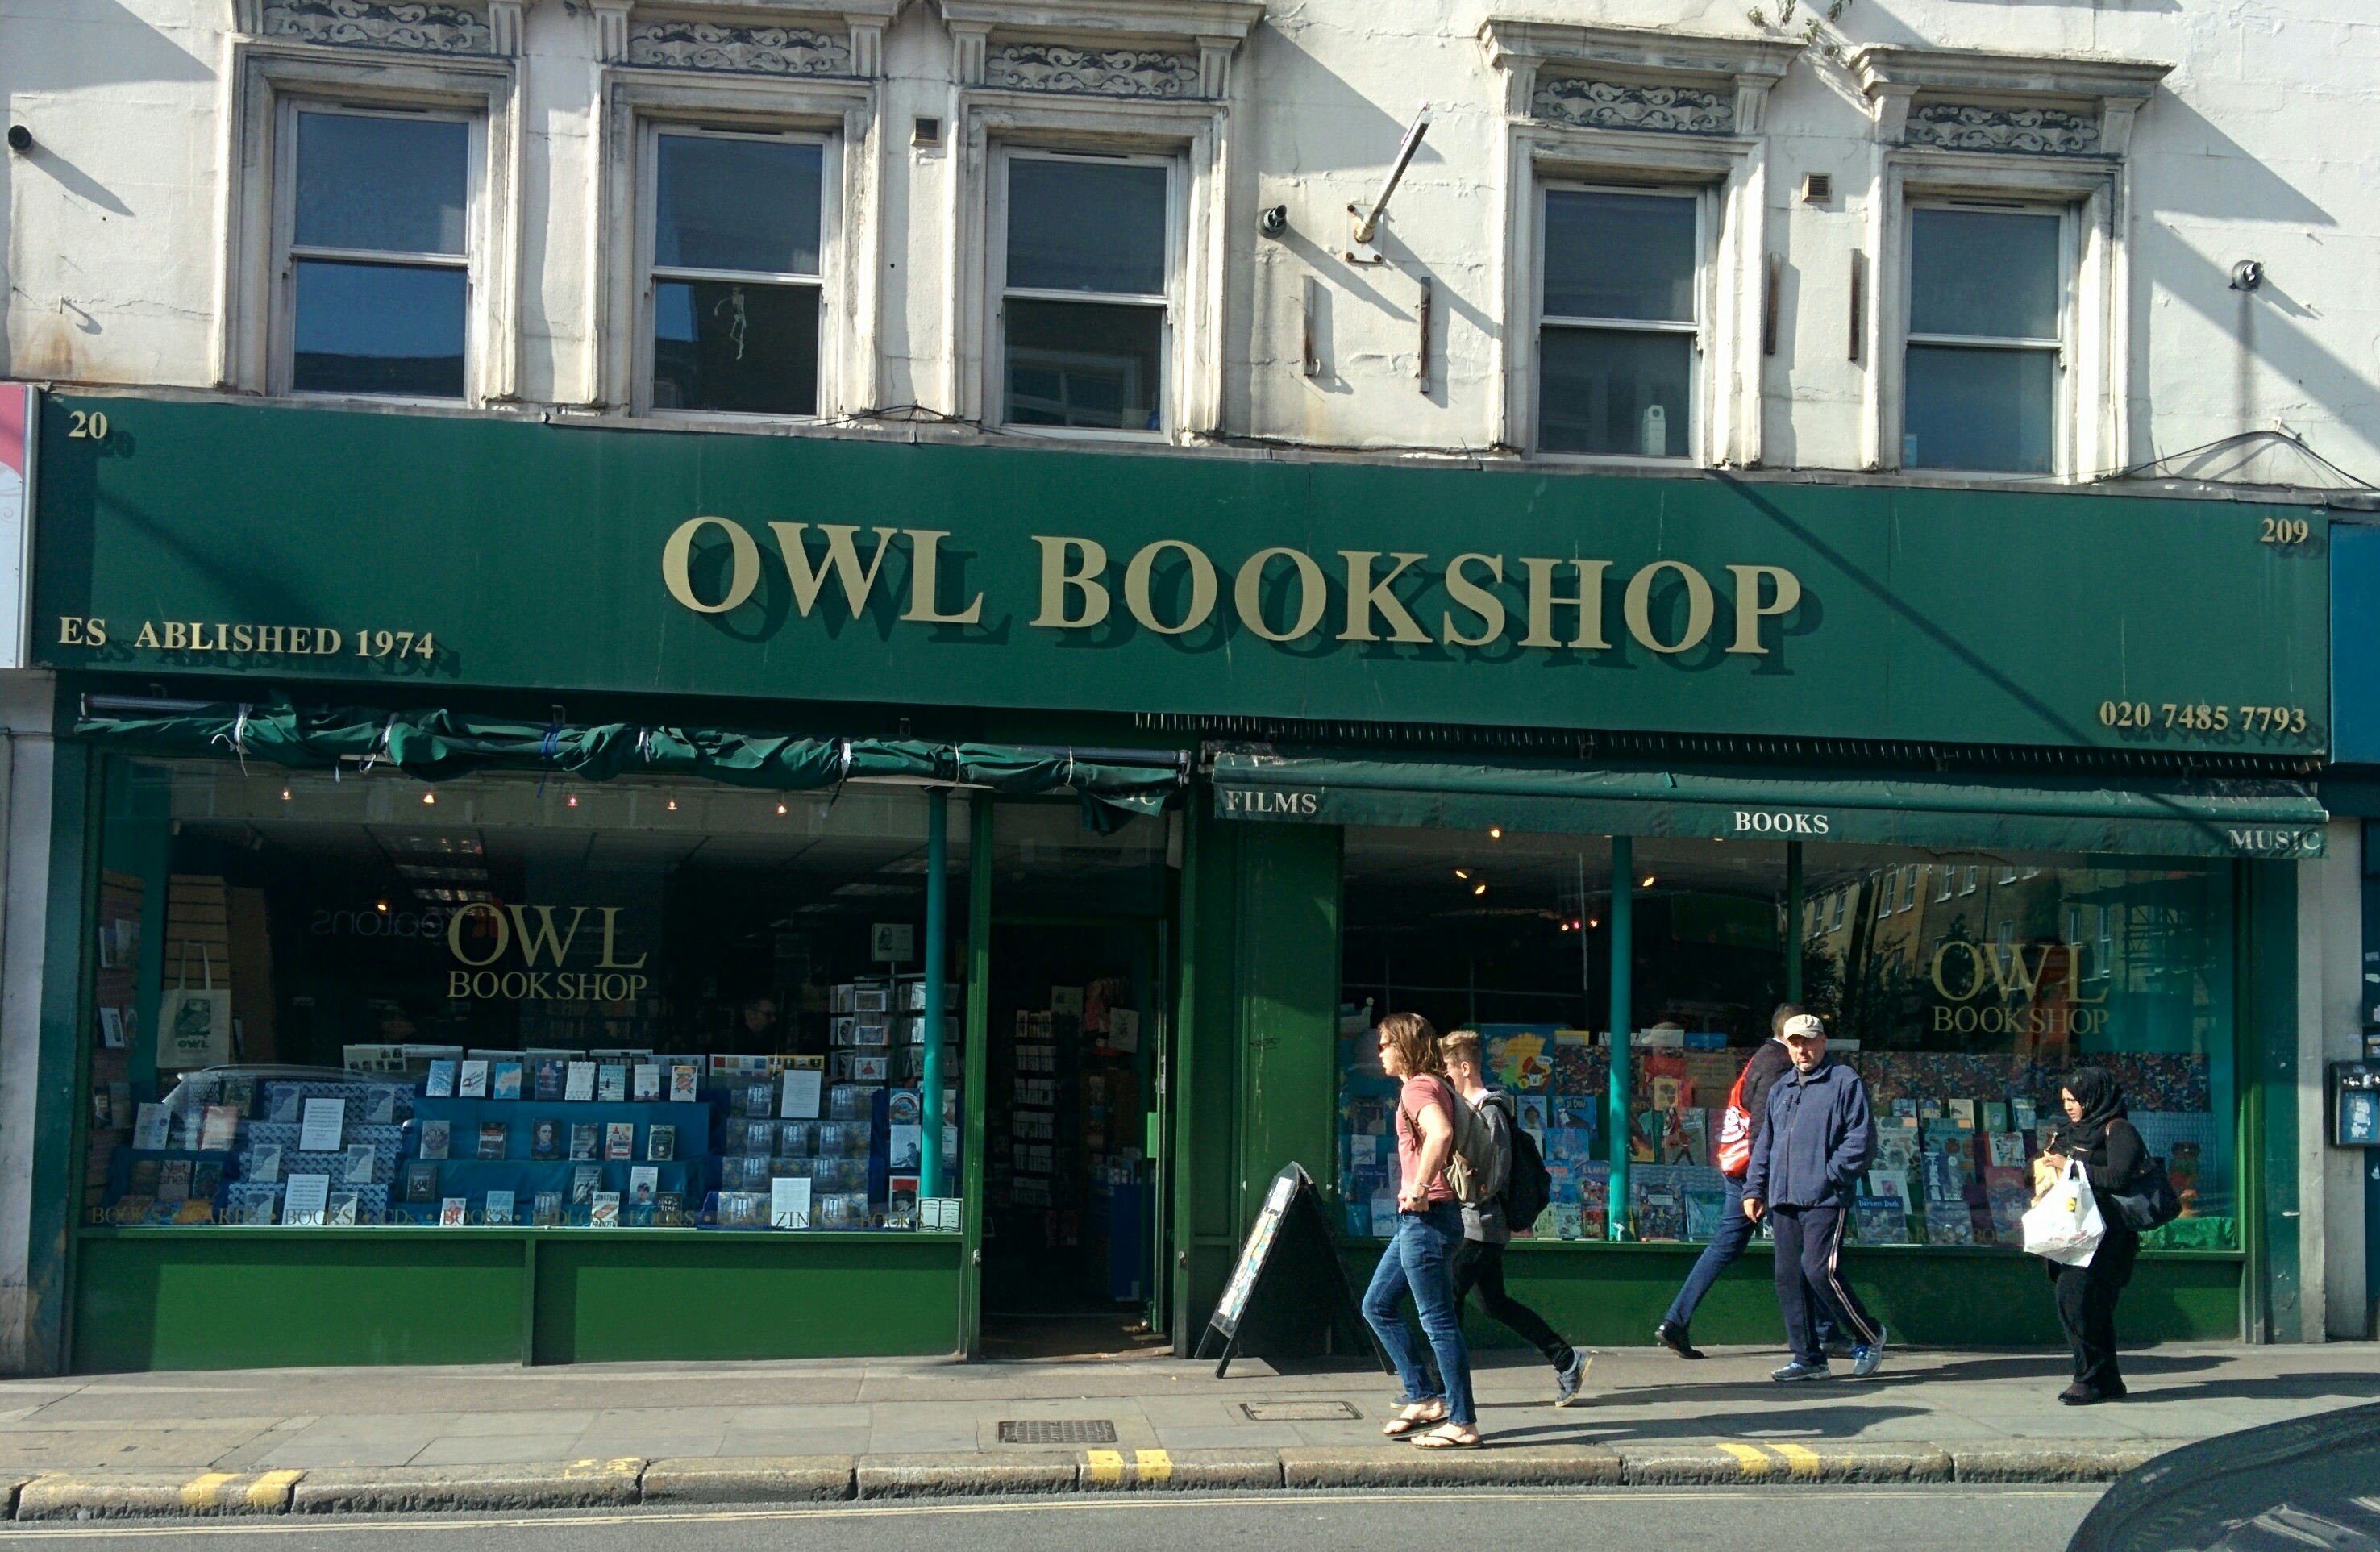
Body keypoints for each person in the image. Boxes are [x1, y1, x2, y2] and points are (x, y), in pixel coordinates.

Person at [1656, 1003, 1815, 1359]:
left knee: (1726, 1247)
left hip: (1743, 1172)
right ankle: (1823, 1332)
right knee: (1803, 1251)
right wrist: (1760, 1183)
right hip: (1760, 1177)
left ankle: (1675, 1321)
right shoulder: (1778, 1063)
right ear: (1791, 1032)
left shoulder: (1763, 1056)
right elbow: (1763, 1125)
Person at [1439, 1030, 1588, 1405]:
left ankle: (1445, 1389)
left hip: (1481, 1224)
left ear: (1465, 1067)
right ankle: (1567, 1359)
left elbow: (1496, 1173)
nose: (1445, 1075)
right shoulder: (1469, 1109)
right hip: (1474, 1223)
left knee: (1448, 1296)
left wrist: (1465, 1192)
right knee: (1494, 1304)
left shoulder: (1490, 1112)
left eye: (1447, 1067)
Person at [1359, 1012, 1481, 1449]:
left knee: (1438, 1322)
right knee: (1377, 1305)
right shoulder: (1434, 1084)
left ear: (1405, 1046)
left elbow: (1440, 1133)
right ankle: (1424, 1397)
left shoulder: (1417, 1088)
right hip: (1425, 1220)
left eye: (1385, 1044)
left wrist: (1420, 1187)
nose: (1380, 1052)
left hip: (1427, 1218)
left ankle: (1462, 1421)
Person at [1743, 1011, 1886, 1381]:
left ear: (1823, 1042)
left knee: (1821, 1271)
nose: (1802, 1050)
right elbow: (1765, 1144)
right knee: (1788, 1277)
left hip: (1825, 1198)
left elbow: (1861, 1142)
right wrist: (1755, 1188)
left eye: (1808, 1042)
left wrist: (1830, 1175)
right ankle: (1808, 1359)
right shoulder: (1781, 1088)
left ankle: (1869, 1334)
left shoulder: (1844, 1082)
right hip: (1784, 1198)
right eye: (1795, 1043)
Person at [2037, 1067, 2144, 1404]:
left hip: (2107, 1236)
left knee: (2078, 1302)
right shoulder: (2071, 1132)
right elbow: (2051, 1165)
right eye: (2065, 1100)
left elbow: (2119, 1177)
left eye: (2075, 1099)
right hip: (2073, 1232)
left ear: (2094, 1098)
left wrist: (2070, 1166)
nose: (2069, 1106)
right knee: (2087, 1308)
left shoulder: (2119, 1130)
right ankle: (2107, 1381)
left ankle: (2088, 1379)